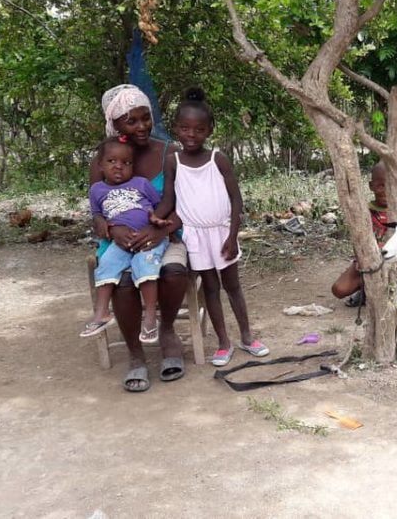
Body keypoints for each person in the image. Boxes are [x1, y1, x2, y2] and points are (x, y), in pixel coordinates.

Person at [90, 84, 190, 392]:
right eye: (131, 121)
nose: (142, 126)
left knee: (173, 271)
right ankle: (135, 353)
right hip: (120, 240)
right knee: (122, 280)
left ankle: (168, 330)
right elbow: (96, 210)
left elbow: (187, 203)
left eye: (145, 118)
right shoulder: (105, 158)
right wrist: (111, 229)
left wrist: (160, 228)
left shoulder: (169, 152)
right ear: (115, 124)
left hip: (167, 233)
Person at [170, 87, 269, 367]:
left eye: (199, 129)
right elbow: (170, 199)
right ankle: (224, 343)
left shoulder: (218, 159)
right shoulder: (173, 162)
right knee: (210, 289)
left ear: (209, 130)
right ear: (176, 128)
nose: (191, 134)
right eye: (185, 128)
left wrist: (232, 235)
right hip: (195, 237)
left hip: (223, 233)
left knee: (233, 286)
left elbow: (236, 199)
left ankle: (248, 337)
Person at [82, 137, 170, 343]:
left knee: (145, 268)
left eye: (126, 163)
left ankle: (149, 317)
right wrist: (103, 223)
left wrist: (156, 221)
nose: (119, 167)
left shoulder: (141, 184)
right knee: (105, 266)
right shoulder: (97, 190)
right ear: (100, 165)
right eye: (112, 162)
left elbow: (159, 206)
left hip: (147, 238)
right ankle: (102, 313)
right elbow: (97, 214)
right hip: (121, 242)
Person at [331, 163, 397, 311]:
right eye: (380, 186)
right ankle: (366, 291)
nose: (386, 191)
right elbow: (357, 239)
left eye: (391, 186)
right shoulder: (364, 211)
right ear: (371, 186)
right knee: (339, 289)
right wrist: (361, 258)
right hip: (369, 259)